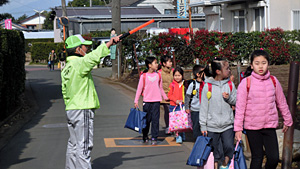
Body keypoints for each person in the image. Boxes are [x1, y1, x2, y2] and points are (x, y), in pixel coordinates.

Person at [61, 34, 121, 169]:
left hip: (71, 109)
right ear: (78, 50)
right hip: (82, 109)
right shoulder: (79, 64)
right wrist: (109, 43)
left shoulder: (67, 67)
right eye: (85, 47)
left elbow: (64, 91)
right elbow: (93, 57)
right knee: (84, 147)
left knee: (73, 145)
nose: (87, 49)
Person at [234, 50, 293, 169]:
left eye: (263, 63)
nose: (260, 66)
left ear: (268, 64)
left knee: (274, 158)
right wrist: (238, 129)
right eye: (257, 63)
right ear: (251, 65)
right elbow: (240, 107)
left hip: (269, 126)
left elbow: (281, 102)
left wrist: (288, 119)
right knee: (257, 157)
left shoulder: (273, 81)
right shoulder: (246, 82)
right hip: (252, 127)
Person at [200, 58, 236, 169]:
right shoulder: (208, 86)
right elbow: (204, 107)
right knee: (213, 150)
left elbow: (237, 101)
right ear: (218, 71)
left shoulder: (230, 85)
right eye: (227, 68)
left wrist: (229, 98)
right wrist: (203, 125)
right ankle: (215, 166)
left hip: (227, 124)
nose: (229, 70)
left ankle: (225, 164)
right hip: (212, 125)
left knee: (229, 147)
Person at [134, 56, 168, 145]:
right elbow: (139, 89)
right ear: (149, 65)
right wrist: (136, 101)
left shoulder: (158, 75)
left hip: (156, 101)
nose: (157, 64)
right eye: (155, 63)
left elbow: (160, 88)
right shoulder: (144, 76)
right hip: (147, 101)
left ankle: (154, 137)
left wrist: (165, 97)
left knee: (155, 120)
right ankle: (145, 135)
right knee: (147, 120)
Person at [185, 65, 205, 140]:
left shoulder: (206, 84)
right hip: (195, 109)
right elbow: (187, 96)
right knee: (196, 126)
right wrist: (187, 107)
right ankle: (197, 141)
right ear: (198, 74)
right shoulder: (193, 84)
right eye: (203, 72)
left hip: (205, 110)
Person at [168, 67, 186, 144]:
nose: (177, 77)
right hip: (173, 106)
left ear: (182, 75)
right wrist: (176, 101)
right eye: (175, 75)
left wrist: (184, 101)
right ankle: (178, 136)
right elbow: (169, 95)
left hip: (182, 106)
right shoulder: (172, 84)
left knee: (182, 122)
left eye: (179, 75)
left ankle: (182, 134)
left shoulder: (185, 84)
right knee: (176, 123)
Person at [158, 55, 173, 134]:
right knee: (167, 110)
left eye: (171, 61)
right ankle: (168, 126)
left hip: (172, 95)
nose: (171, 63)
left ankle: (173, 126)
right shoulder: (159, 73)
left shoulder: (173, 72)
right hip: (164, 95)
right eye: (169, 62)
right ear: (164, 63)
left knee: (172, 111)